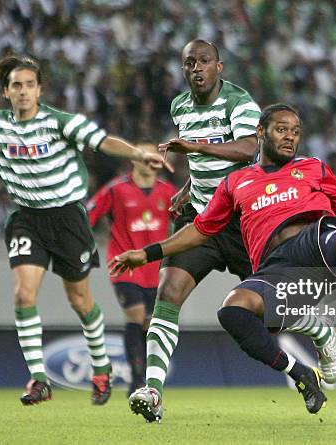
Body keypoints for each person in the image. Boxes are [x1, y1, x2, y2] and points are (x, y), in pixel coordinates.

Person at [110, 104, 336, 417]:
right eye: (281, 130)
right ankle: (300, 372)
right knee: (233, 311)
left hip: (317, 240)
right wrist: (148, 252)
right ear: (261, 132)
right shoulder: (237, 182)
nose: (289, 137)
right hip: (277, 269)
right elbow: (201, 230)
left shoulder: (313, 167)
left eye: (295, 132)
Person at [0, 32, 164, 406]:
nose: (22, 91)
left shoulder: (61, 122)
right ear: (6, 92)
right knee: (23, 292)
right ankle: (38, 379)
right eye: (16, 85)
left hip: (68, 218)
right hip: (26, 218)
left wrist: (136, 154)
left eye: (29, 85)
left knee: (80, 301)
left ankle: (101, 368)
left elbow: (102, 141)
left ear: (39, 90)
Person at [126, 39, 262, 421]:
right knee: (167, 295)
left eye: (204, 61)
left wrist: (194, 146)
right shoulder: (180, 106)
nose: (196, 68)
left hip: (241, 220)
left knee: (276, 307)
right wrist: (188, 190)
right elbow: (204, 163)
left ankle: (319, 333)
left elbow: (249, 149)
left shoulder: (240, 102)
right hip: (201, 219)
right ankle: (153, 390)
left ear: (219, 67)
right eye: (189, 63)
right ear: (183, 69)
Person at [86, 143, 176, 395]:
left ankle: (148, 381)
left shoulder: (168, 192)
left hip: (156, 270)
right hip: (124, 265)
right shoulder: (116, 190)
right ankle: (137, 380)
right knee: (136, 316)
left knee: (151, 325)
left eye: (153, 157)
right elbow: (88, 216)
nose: (149, 162)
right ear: (133, 159)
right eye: (143, 156)